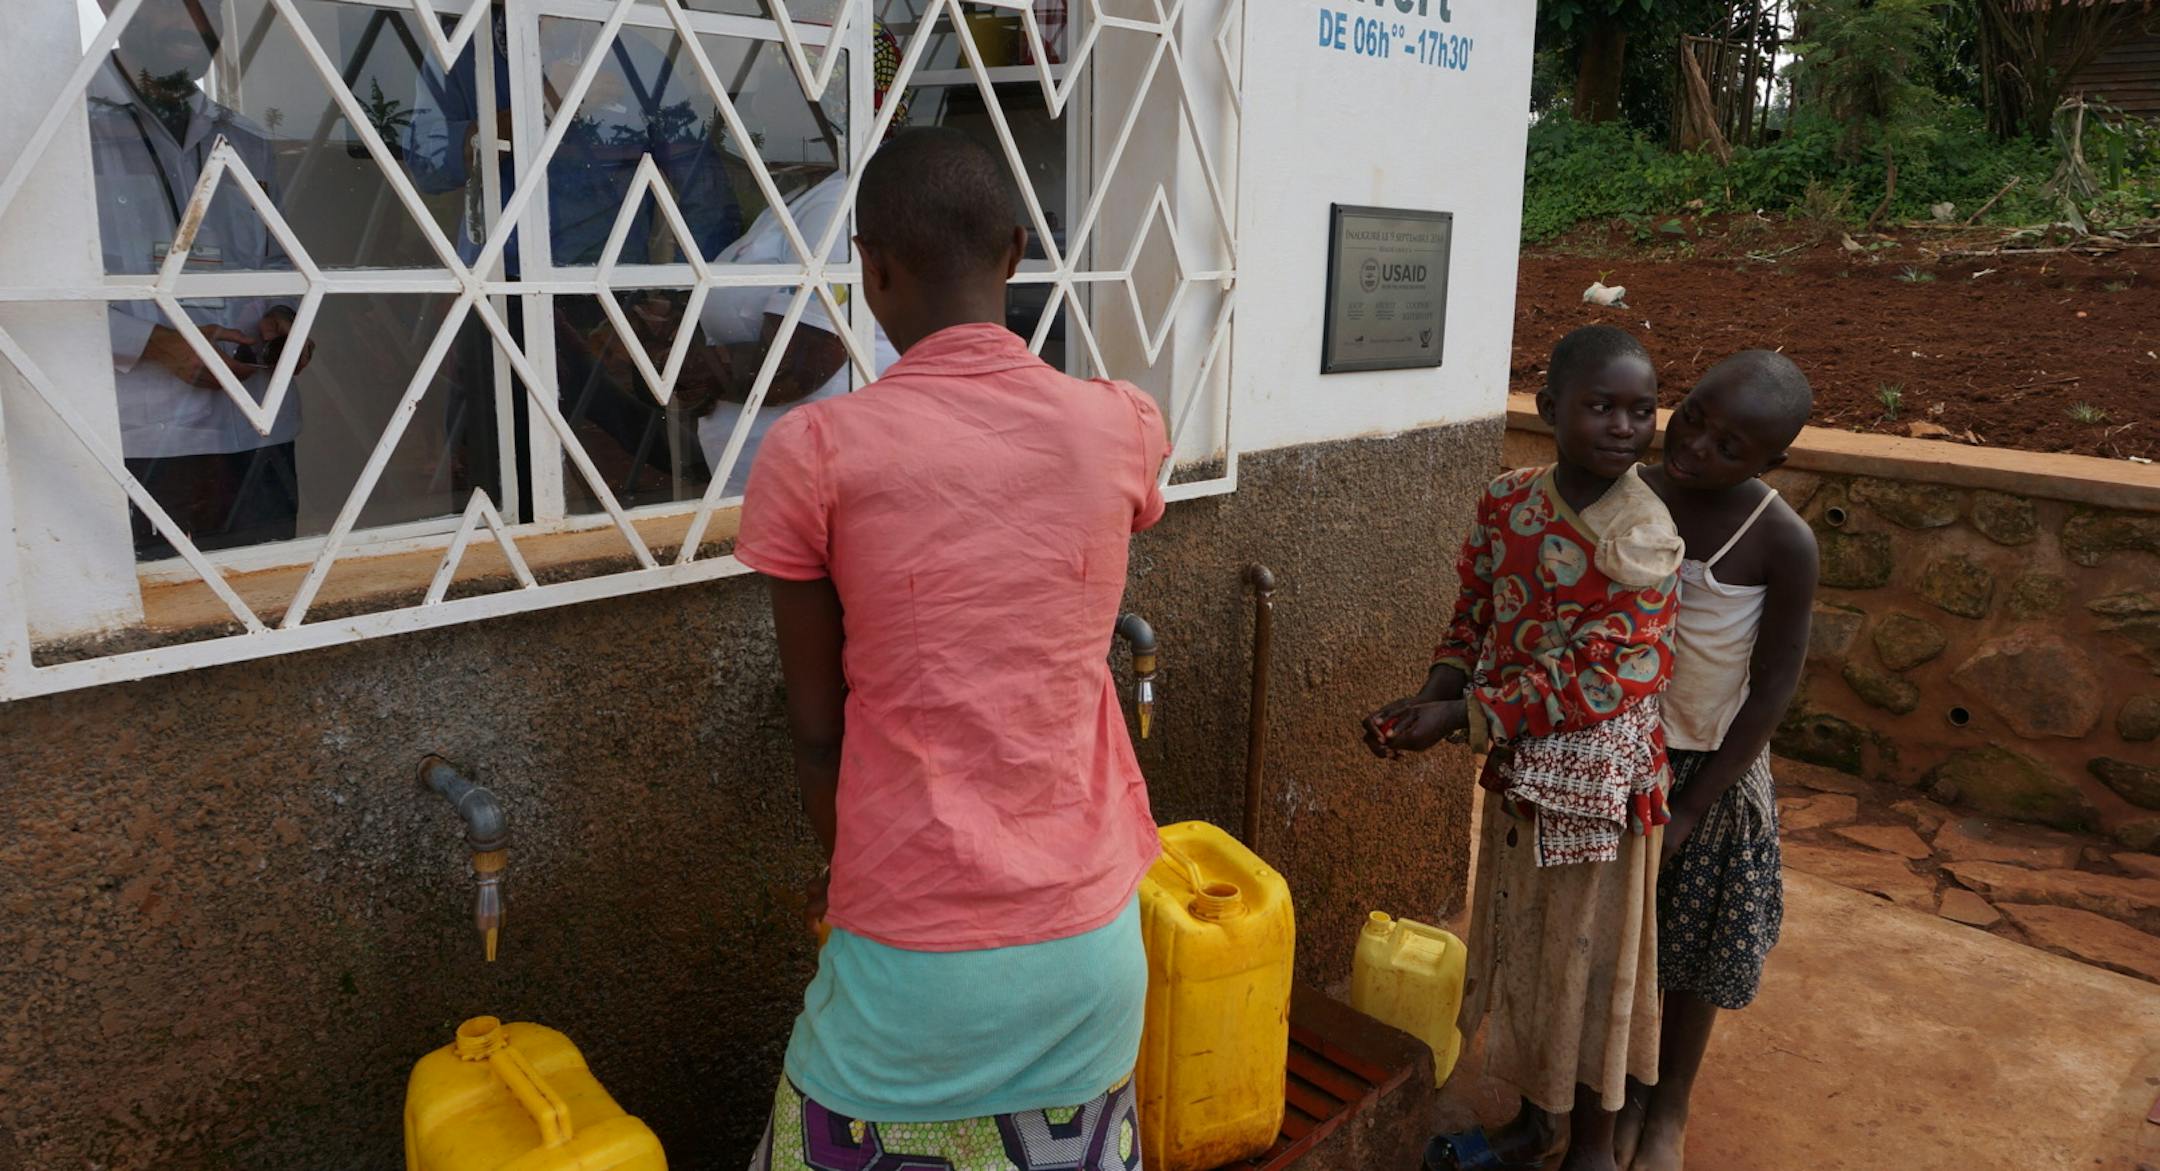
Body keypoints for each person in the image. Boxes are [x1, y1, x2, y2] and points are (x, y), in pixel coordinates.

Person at [734, 127, 1168, 1171]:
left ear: (871, 269)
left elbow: (815, 730)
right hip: (1093, 948)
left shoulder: (815, 453)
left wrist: (853, 876)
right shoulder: (1119, 424)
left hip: (913, 965)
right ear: (1017, 253)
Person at [1363, 324, 1683, 1171]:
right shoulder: (1507, 501)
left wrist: (1463, 716)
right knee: (1530, 946)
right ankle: (1541, 1123)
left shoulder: (1643, 533)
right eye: (1601, 406)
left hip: (1599, 783)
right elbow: (1474, 608)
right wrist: (1434, 691)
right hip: (1517, 766)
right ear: (1548, 409)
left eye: (1641, 410)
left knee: (1590, 957)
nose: (1624, 425)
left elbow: (1601, 678)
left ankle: (1593, 1136)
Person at [1612, 353, 1817, 1171]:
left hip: (1710, 771)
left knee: (1692, 949)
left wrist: (1697, 804)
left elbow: (1771, 688)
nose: (1695, 446)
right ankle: (1619, 1090)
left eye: (1731, 446)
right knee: (1625, 942)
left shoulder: (1780, 539)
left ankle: (1669, 1107)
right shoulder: (1630, 492)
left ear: (1772, 462)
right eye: (1693, 415)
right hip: (1616, 755)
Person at [407, 6, 743, 498]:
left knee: (631, 471)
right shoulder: (463, 55)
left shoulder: (637, 60)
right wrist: (540, 108)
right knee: (497, 473)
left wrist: (698, 307)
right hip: (498, 296)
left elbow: (701, 189)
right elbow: (427, 163)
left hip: (609, 302)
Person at [91, 0, 317, 558]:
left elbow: (278, 260)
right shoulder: (68, 131)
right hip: (141, 434)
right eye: (172, 4)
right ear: (112, 7)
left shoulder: (245, 140)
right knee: (164, 610)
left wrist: (283, 318)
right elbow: (31, 286)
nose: (194, 22)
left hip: (256, 424)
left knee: (272, 592)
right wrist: (156, 345)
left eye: (208, 6)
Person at [683, 25, 912, 497]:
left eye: (776, 87)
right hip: (786, 486)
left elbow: (801, 360)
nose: (757, 105)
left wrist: (683, 369)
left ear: (826, 102)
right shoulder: (804, 196)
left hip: (816, 486)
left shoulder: (842, 202)